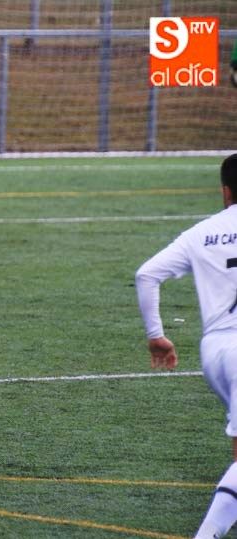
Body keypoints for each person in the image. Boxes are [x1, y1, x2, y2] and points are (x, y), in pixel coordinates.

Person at [135, 153, 237, 539]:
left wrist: (156, 335)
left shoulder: (202, 232)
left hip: (215, 353)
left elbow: (147, 274)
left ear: (225, 192)